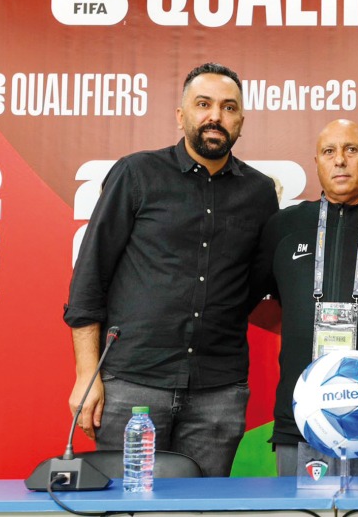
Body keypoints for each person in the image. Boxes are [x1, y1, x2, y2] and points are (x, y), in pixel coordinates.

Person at [63, 62, 279, 477]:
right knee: (125, 508)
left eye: (228, 107)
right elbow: (90, 276)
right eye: (203, 104)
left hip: (219, 390)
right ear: (181, 115)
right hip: (132, 384)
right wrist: (87, 375)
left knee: (203, 512)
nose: (215, 116)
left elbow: (253, 284)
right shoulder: (137, 173)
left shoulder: (259, 192)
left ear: (241, 122)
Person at [249, 119, 358, 475]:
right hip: (302, 421)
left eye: (352, 150)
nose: (340, 160)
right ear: (316, 161)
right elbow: (241, 299)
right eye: (329, 152)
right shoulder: (284, 227)